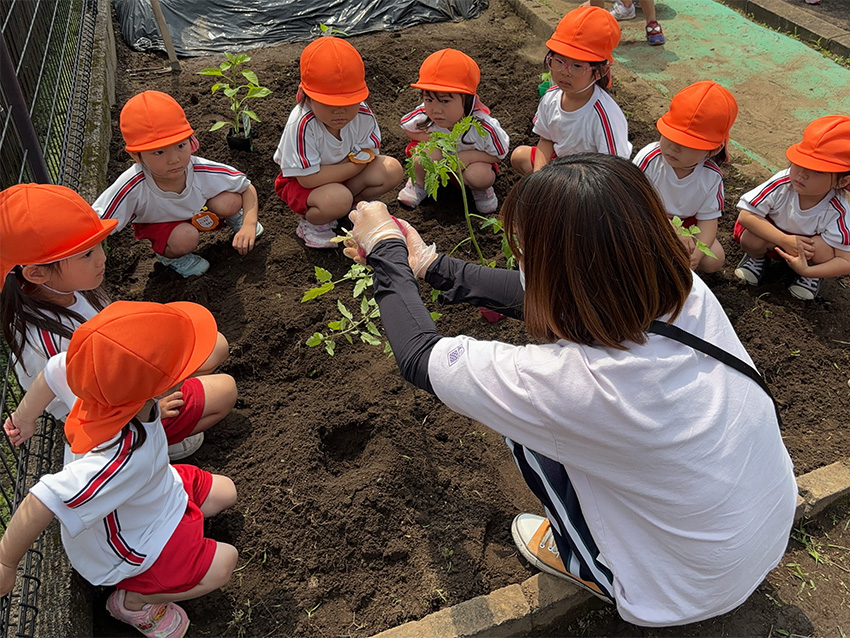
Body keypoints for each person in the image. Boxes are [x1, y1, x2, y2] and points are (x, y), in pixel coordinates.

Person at [342, 154, 797, 627]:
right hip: (762, 527)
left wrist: (383, 247)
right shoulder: (683, 289)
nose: (520, 259)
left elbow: (420, 355)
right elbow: (559, 298)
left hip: (682, 591)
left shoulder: (563, 385)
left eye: (524, 252)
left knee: (525, 431)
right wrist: (430, 265)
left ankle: (582, 561)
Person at [0, 301, 238, 638]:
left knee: (226, 491)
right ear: (153, 386)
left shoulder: (104, 382)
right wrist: (6, 563)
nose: (191, 369)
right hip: (129, 544)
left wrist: (25, 417)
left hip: (154, 491)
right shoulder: (119, 459)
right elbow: (42, 500)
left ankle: (177, 545)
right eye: (181, 366)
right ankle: (134, 602)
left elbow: (54, 371)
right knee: (225, 562)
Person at [0, 183, 235, 460]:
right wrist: (150, 405)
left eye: (98, 245)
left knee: (216, 345)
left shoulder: (70, 287)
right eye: (87, 253)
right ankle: (159, 447)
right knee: (225, 391)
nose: (102, 257)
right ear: (37, 274)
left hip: (126, 378)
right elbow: (89, 408)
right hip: (117, 421)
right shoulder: (45, 344)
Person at [93, 90, 262, 278]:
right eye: (159, 152)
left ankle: (234, 220)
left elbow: (246, 188)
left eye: (180, 146)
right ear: (136, 155)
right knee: (185, 238)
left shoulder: (200, 169)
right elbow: (97, 222)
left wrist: (249, 224)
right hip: (162, 226)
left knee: (230, 200)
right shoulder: (132, 184)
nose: (174, 160)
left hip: (198, 211)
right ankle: (171, 257)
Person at [273, 36, 404, 249]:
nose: (340, 112)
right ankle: (312, 223)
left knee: (391, 169)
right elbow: (307, 179)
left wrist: (355, 166)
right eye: (328, 103)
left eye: (348, 102)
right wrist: (354, 165)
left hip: (343, 177)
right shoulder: (302, 123)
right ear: (308, 97)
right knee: (337, 198)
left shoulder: (363, 114)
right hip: (302, 184)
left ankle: (347, 208)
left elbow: (370, 154)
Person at [734, 115, 850, 300]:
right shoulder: (782, 183)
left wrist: (808, 270)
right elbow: (746, 216)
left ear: (842, 181)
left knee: (825, 250)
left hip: (805, 252)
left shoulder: (838, 210)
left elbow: (845, 260)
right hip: (771, 238)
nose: (802, 174)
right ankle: (756, 258)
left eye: (817, 170)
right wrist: (784, 239)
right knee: (752, 237)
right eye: (800, 163)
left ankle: (809, 274)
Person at [511, 7, 631, 175]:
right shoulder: (551, 98)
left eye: (577, 66)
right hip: (561, 166)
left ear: (600, 72)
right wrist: (539, 177)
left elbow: (614, 170)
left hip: (591, 177)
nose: (565, 72)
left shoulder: (605, 116)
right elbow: (546, 140)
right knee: (520, 156)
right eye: (559, 61)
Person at [633, 81, 738, 273]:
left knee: (714, 259)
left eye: (688, 143)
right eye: (670, 136)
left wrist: (697, 254)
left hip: (687, 227)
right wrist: (668, 229)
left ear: (713, 149)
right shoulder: (650, 158)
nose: (674, 147)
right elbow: (632, 201)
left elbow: (708, 220)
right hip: (647, 217)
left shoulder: (711, 176)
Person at [397, 48, 510, 214]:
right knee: (423, 155)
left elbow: (499, 153)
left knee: (480, 176)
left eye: (445, 101)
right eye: (429, 99)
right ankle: (419, 184)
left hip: (467, 170)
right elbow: (408, 129)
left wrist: (469, 157)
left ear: (467, 99)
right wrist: (434, 143)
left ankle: (480, 191)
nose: (436, 110)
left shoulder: (483, 126)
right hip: (438, 167)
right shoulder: (423, 115)